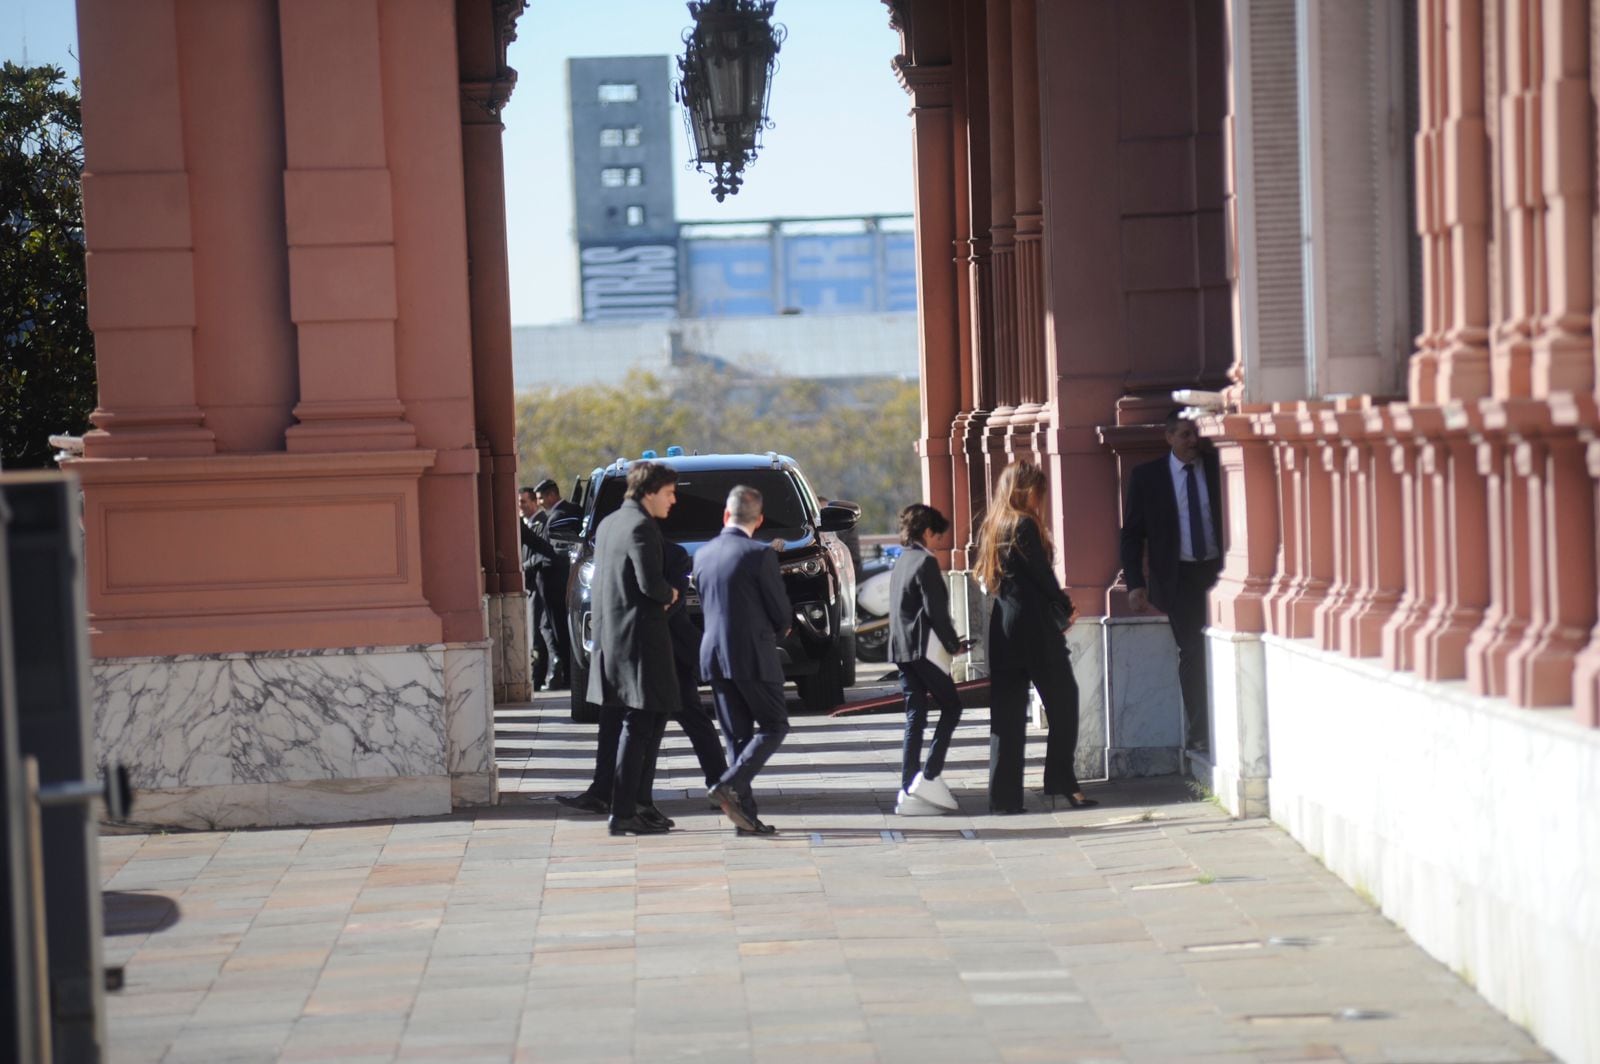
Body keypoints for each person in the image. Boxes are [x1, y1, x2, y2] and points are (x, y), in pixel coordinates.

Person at [556, 539, 729, 817]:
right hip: (626, 650)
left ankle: (721, 786)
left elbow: (672, 602)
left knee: (691, 717)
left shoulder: (673, 555)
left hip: (670, 651)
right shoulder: (619, 552)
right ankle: (601, 792)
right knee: (611, 717)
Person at [974, 462, 1097, 814]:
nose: (1041, 498)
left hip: (1004, 626)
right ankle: (1060, 780)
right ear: (1027, 490)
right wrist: (1064, 605)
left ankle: (1003, 798)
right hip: (1033, 627)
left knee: (1007, 715)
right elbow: (1041, 575)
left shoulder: (993, 525)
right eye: (1039, 491)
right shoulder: (1024, 523)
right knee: (1064, 702)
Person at [1119, 408, 1223, 752]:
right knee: (1193, 651)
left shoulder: (1219, 467)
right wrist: (1135, 583)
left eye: (1196, 433)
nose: (1194, 441)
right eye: (1185, 435)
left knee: (1222, 647)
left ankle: (1227, 722)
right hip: (1180, 578)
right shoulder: (1148, 478)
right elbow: (1132, 534)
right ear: (1169, 438)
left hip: (1219, 573)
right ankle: (1201, 732)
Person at [585, 461, 681, 836]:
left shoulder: (610, 522)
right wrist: (671, 592)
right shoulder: (641, 527)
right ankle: (624, 809)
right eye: (669, 493)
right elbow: (651, 585)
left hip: (614, 642)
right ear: (649, 492)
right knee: (639, 725)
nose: (673, 502)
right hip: (640, 643)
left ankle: (638, 803)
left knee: (647, 721)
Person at [695, 484, 793, 836]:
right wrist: (780, 630)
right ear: (760, 519)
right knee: (774, 725)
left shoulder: (703, 555)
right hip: (752, 654)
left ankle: (745, 816)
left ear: (726, 515)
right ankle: (730, 783)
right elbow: (780, 612)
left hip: (715, 657)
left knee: (737, 737)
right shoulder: (759, 554)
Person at [888, 503, 969, 816]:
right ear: (926, 532)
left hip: (901, 649)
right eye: (938, 535)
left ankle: (908, 785)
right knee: (952, 706)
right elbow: (935, 610)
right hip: (923, 650)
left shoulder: (902, 561)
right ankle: (930, 774)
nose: (940, 542)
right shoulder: (925, 562)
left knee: (915, 716)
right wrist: (953, 644)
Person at [528, 477, 581, 691]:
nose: (539, 502)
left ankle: (567, 672)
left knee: (559, 628)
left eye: (541, 498)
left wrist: (532, 563)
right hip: (563, 579)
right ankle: (565, 670)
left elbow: (554, 552)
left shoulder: (558, 516)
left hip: (554, 581)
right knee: (553, 627)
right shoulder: (575, 509)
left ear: (552, 495)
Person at [517, 487, 549, 688]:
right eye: (518, 502)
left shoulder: (542, 522)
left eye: (523, 501)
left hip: (537, 583)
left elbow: (541, 548)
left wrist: (524, 568)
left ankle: (538, 677)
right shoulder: (522, 522)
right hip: (527, 585)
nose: (520, 506)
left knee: (540, 630)